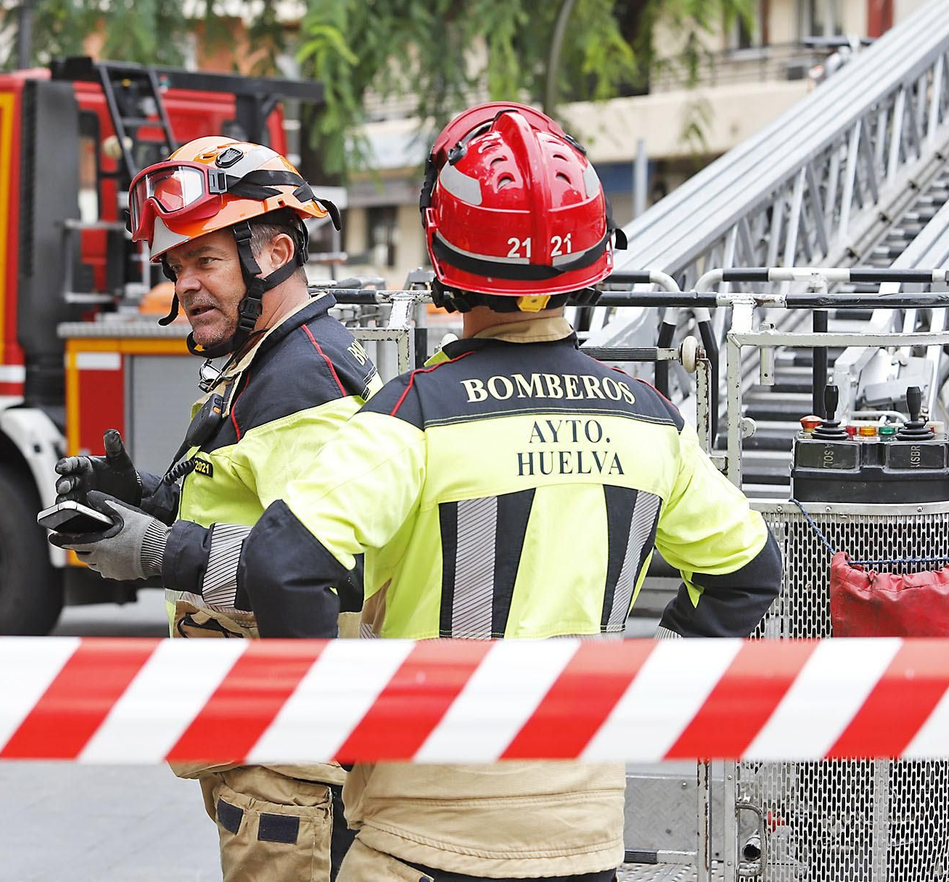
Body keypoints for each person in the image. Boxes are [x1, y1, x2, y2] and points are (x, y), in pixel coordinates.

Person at [233, 103, 784, 881]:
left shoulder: (410, 414)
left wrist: (342, 726)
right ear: (592, 260)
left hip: (417, 836)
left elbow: (282, 560)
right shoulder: (651, 421)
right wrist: (655, 674)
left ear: (444, 253)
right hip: (581, 839)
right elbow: (752, 570)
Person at [49, 136, 381, 882]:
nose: (187, 285)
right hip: (260, 748)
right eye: (176, 267)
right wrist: (143, 498)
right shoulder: (261, 359)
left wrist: (158, 550)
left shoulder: (305, 382)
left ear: (276, 250)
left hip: (293, 763)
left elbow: (326, 575)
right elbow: (253, 504)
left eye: (207, 260)